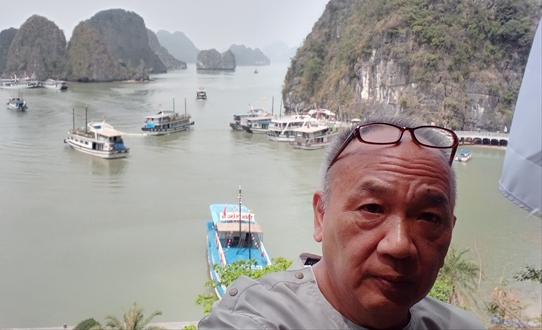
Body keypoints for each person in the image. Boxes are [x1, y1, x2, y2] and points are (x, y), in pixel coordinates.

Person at [199, 116, 484, 329]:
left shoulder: (460, 326)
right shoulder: (258, 318)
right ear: (321, 215)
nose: (399, 245)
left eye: (429, 217)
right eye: (372, 208)